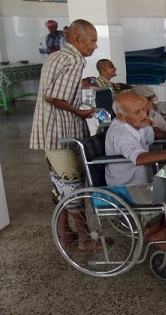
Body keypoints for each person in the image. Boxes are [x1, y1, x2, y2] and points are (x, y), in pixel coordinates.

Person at [30, 19, 99, 250]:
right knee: (72, 182)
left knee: (59, 183)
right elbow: (53, 97)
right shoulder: (74, 58)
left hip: (47, 129)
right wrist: (78, 110)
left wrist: (81, 84)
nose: (95, 46)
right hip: (59, 131)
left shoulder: (57, 55)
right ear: (78, 40)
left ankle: (65, 232)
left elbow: (54, 87)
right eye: (92, 40)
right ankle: (84, 238)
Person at [105, 92, 166, 246]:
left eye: (144, 109)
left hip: (143, 180)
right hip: (129, 188)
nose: (144, 114)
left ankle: (158, 230)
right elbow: (139, 158)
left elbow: (153, 133)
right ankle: (161, 234)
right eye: (138, 112)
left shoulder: (137, 123)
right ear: (121, 117)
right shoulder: (120, 134)